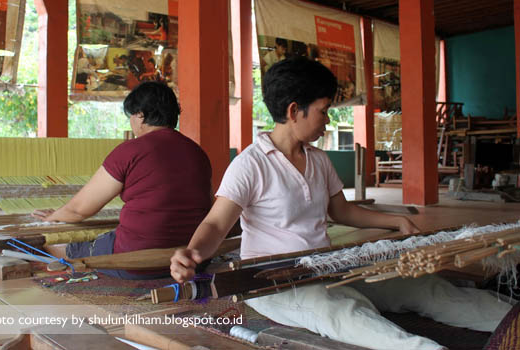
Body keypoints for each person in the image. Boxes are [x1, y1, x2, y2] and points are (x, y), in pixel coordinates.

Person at [170, 58, 511, 349]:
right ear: (294, 111)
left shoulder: (319, 160)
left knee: (425, 289)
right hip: (273, 283)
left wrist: (395, 223)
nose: (328, 120)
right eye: (324, 110)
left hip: (327, 265)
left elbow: (342, 212)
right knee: (348, 313)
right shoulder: (251, 164)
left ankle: (512, 322)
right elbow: (216, 224)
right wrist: (194, 252)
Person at [33, 82, 212, 280]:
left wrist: (52, 217)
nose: (131, 124)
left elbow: (79, 210)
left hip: (137, 261)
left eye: (131, 117)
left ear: (140, 115)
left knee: (66, 248)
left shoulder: (131, 151)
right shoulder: (198, 153)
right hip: (190, 260)